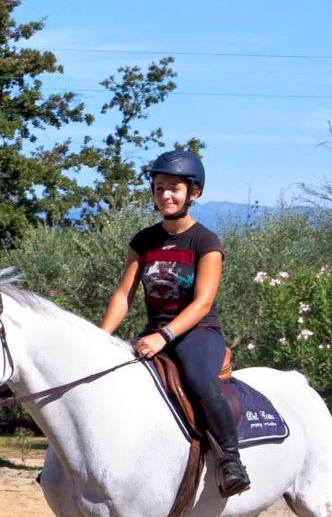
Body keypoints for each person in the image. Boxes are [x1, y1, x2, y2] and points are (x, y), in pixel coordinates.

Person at [100, 149, 248, 496]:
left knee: (199, 380)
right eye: (159, 187)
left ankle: (231, 460)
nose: (165, 195)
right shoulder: (143, 241)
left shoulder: (205, 241)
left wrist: (164, 336)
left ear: (193, 193)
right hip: (155, 331)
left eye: (174, 188)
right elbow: (124, 295)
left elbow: (203, 302)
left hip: (197, 331)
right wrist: (101, 338)